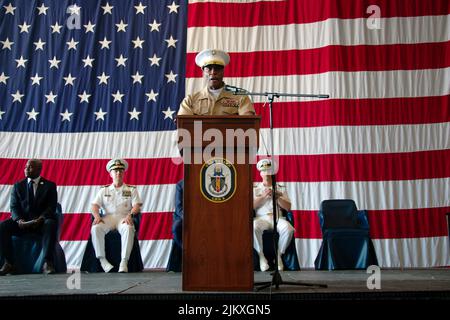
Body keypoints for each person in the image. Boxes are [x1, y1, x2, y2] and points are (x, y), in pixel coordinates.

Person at [0, 159, 58, 275]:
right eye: (26, 167)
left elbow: (51, 207)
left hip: (41, 223)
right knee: (2, 226)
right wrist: (19, 220)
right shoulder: (18, 186)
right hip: (23, 223)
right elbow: (14, 207)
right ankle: (9, 263)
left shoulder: (49, 186)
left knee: (50, 223)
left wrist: (41, 218)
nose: (26, 169)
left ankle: (48, 263)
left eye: (30, 167)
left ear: (39, 169)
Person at [90, 158, 142, 273]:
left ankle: (124, 262)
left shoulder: (131, 189)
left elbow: (137, 206)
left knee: (129, 228)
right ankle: (103, 261)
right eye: (115, 171)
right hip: (108, 218)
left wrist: (131, 215)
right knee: (96, 228)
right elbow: (94, 205)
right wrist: (97, 216)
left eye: (120, 171)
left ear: (124, 173)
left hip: (124, 217)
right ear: (110, 174)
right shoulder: (104, 190)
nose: (118, 173)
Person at [177, 49, 256, 116]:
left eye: (217, 69)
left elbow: (248, 125)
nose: (213, 72)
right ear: (203, 72)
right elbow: (184, 126)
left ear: (223, 71)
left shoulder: (240, 98)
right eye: (209, 69)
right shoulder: (190, 100)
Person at [253, 159, 295, 272]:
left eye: (268, 170)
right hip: (262, 218)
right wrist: (263, 196)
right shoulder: (255, 188)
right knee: (253, 227)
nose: (266, 173)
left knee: (289, 229)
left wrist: (278, 198)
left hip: (277, 218)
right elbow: (251, 206)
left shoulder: (281, 188)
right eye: (264, 171)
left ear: (273, 172)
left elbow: (288, 207)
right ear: (260, 173)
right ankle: (261, 256)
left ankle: (278, 256)